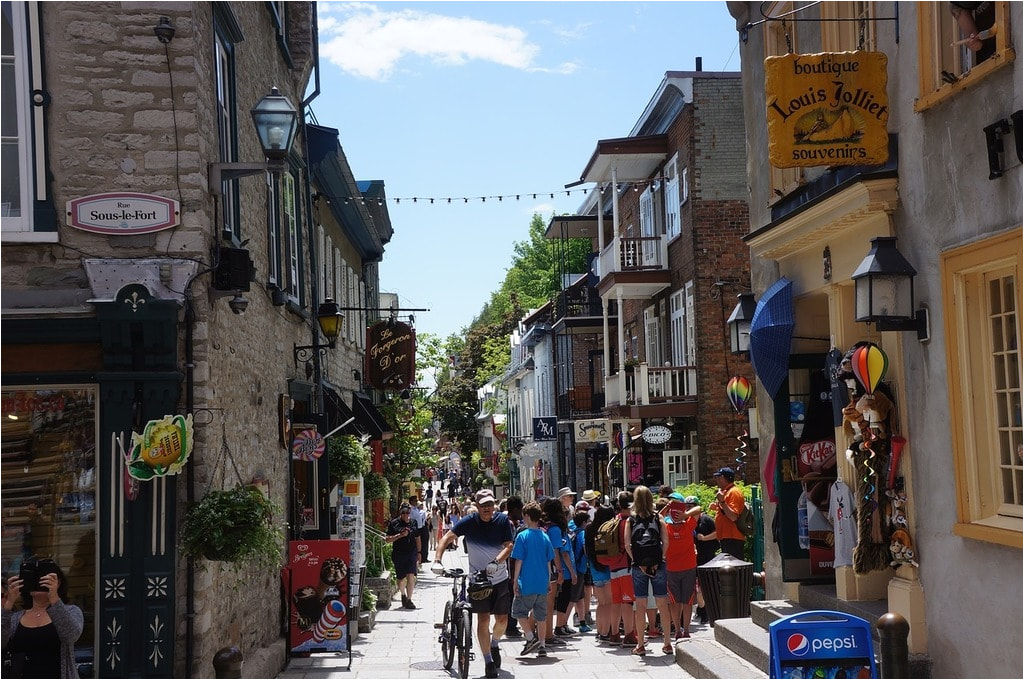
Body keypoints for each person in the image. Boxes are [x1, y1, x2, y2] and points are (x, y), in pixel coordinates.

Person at [433, 490, 514, 680]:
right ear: (477, 507)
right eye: (483, 505)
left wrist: (496, 562)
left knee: (502, 621)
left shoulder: (502, 521)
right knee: (483, 620)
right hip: (479, 580)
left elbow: (509, 545)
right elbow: (447, 538)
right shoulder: (469, 522)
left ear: (494, 505)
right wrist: (437, 559)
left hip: (500, 578)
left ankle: (494, 643)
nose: (487, 508)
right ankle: (488, 662)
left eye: (490, 504)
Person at [2, 558, 84, 678]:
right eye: (33, 577)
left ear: (58, 582)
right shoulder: (16, 617)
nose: (38, 582)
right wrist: (9, 602)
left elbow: (70, 636)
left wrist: (54, 598)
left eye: (43, 578)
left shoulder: (71, 611)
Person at [624, 485, 673, 656]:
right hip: (658, 564)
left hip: (638, 567)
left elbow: (627, 545)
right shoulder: (658, 517)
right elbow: (666, 542)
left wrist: (638, 562)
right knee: (662, 603)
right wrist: (659, 559)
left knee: (641, 605)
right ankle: (667, 643)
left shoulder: (631, 520)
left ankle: (640, 644)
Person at [510, 501, 555, 658]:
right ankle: (542, 645)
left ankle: (530, 637)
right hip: (542, 581)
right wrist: (549, 580)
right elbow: (549, 561)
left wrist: (515, 580)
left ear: (527, 517)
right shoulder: (545, 536)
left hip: (527, 582)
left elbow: (519, 561)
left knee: (518, 612)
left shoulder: (522, 536)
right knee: (541, 616)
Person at [662, 493, 703, 640]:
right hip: (689, 567)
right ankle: (686, 629)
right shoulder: (689, 526)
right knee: (688, 601)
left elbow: (657, 518)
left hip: (672, 569)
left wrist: (667, 508)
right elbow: (698, 508)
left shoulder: (666, 528)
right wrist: (685, 515)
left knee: (675, 601)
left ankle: (677, 629)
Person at [584, 503, 616, 643]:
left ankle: (599, 630)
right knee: (609, 603)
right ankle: (605, 632)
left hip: (594, 567)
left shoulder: (589, 528)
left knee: (601, 603)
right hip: (608, 566)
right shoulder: (610, 528)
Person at [385, 502, 421, 609]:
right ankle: (403, 594)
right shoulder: (394, 523)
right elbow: (387, 539)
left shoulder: (413, 523)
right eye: (403, 512)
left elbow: (417, 537)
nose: (406, 514)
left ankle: (409, 600)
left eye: (407, 512)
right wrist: (400, 535)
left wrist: (419, 552)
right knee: (400, 579)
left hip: (411, 553)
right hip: (399, 554)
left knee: (411, 576)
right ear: (400, 513)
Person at [692, 496, 718, 625]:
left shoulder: (706, 519)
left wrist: (704, 538)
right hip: (694, 558)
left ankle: (706, 611)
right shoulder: (688, 521)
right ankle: (703, 610)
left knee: (706, 585)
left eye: (691, 506)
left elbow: (718, 533)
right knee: (697, 587)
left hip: (708, 556)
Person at [502, 495, 525, 638]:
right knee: (511, 596)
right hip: (509, 566)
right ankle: (510, 627)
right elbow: (510, 545)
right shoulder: (510, 524)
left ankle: (511, 625)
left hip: (511, 565)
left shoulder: (512, 522)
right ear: (515, 509)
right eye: (520, 509)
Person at [711, 467, 746, 560]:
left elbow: (733, 516)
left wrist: (722, 502)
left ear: (722, 478)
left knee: (734, 570)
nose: (716, 480)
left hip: (733, 538)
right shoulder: (727, 491)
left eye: (718, 477)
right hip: (727, 537)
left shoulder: (733, 492)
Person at [407, 495, 429, 570]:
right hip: (415, 529)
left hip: (420, 528)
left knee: (422, 544)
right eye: (415, 501)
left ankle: (421, 560)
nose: (416, 502)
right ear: (411, 501)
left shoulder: (416, 509)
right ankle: (416, 562)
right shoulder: (410, 510)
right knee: (416, 545)